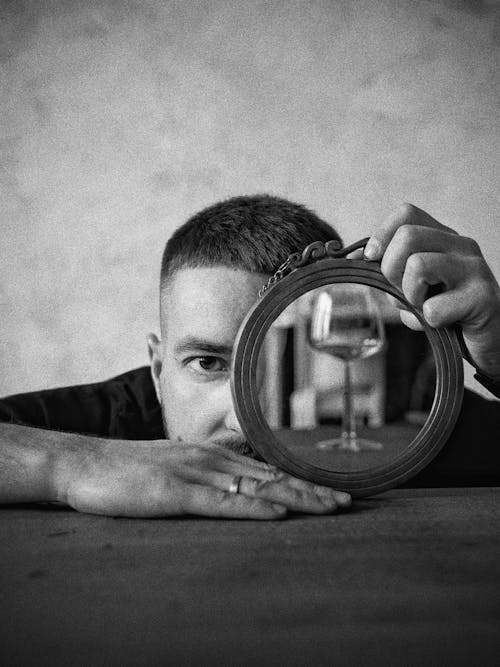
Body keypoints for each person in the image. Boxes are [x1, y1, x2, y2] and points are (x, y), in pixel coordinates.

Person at [1, 196, 499, 519]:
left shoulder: (408, 436)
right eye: (208, 363)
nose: (242, 418)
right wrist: (76, 463)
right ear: (157, 370)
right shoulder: (106, 427)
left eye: (268, 367)